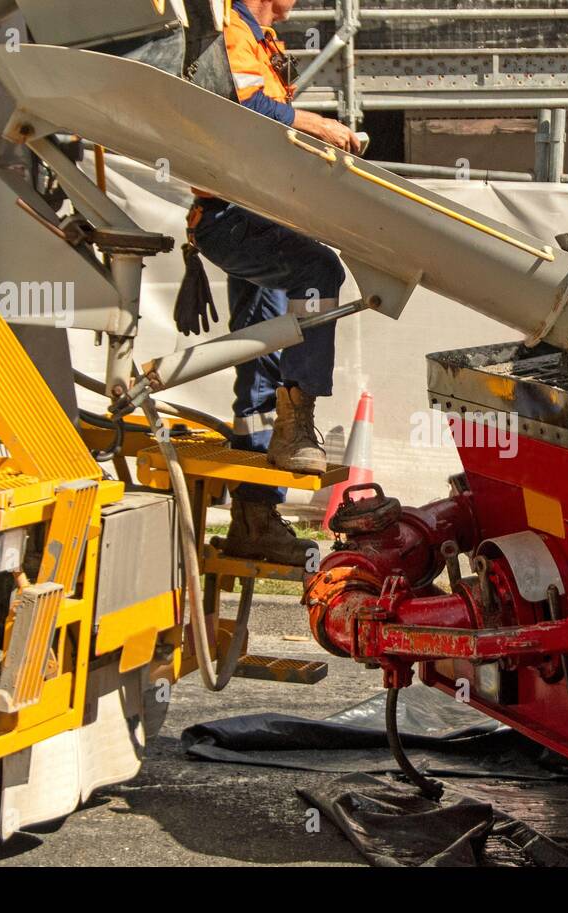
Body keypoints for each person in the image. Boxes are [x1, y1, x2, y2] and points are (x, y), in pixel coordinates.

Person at [178, 0, 362, 566]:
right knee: (320, 273)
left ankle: (257, 513)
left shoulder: (257, 39)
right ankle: (295, 421)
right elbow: (244, 107)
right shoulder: (231, 30)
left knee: (261, 360)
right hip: (234, 216)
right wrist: (320, 125)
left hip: (252, 213)